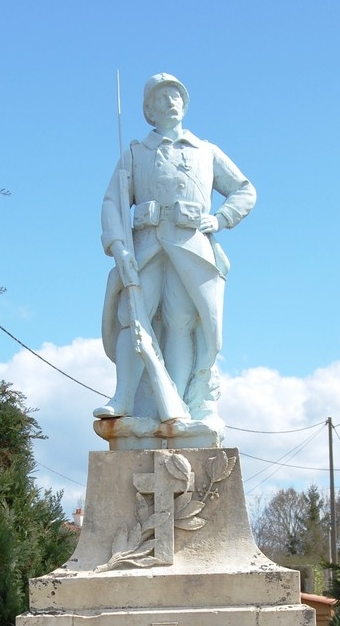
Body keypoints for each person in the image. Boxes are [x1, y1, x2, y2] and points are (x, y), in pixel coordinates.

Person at [95, 73, 256, 429]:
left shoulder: (205, 151)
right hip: (147, 245)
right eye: (161, 97)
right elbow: (111, 203)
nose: (170, 101)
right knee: (132, 317)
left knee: (181, 322)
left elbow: (245, 190)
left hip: (189, 247)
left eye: (175, 95)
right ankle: (124, 397)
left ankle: (179, 403)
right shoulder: (136, 153)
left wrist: (221, 218)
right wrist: (119, 246)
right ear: (149, 111)